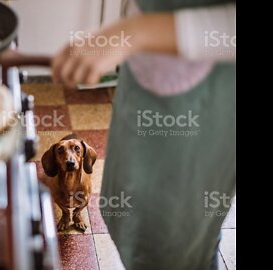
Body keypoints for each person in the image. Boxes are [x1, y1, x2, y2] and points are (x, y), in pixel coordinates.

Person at [51, 0, 236, 269]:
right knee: (131, 213)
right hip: (141, 83)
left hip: (204, 106)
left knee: (179, 243)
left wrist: (134, 33)